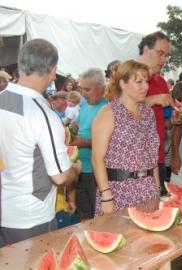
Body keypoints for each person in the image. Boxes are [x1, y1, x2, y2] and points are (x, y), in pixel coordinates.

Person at [0, 39, 81, 246]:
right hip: (30, 217)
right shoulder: (42, 114)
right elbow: (61, 177)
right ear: (52, 70)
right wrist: (76, 169)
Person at [92, 60, 160, 216]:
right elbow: (97, 158)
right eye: (139, 82)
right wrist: (106, 196)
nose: (146, 87)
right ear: (122, 83)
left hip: (148, 189)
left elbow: (152, 157)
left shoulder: (148, 113)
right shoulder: (108, 113)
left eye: (146, 81)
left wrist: (157, 189)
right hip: (119, 191)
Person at [137, 31, 173, 191]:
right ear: (145, 49)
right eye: (160, 53)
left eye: (166, 55)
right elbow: (115, 112)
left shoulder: (161, 82)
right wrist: (151, 100)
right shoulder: (125, 76)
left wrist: (174, 120)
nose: (164, 60)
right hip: (134, 160)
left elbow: (163, 122)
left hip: (158, 157)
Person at [71, 68, 108, 220]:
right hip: (80, 168)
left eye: (87, 89)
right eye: (81, 89)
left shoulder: (108, 109)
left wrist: (85, 142)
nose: (84, 94)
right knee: (83, 214)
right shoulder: (85, 105)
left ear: (100, 88)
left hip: (96, 171)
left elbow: (110, 143)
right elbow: (76, 126)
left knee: (99, 215)